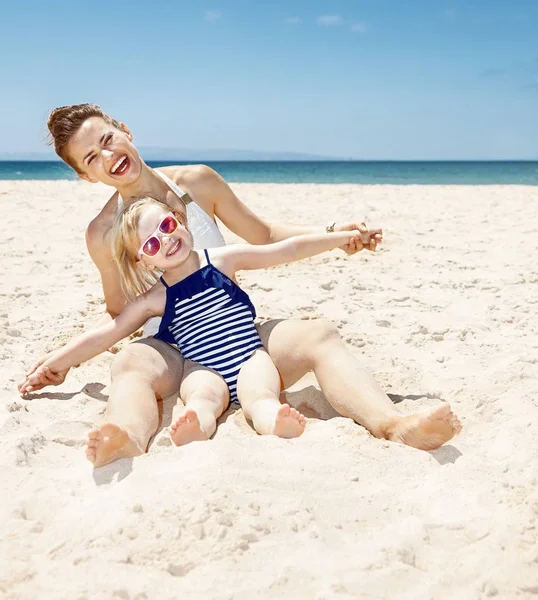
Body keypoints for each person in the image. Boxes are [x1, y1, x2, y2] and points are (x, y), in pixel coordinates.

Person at [20, 104, 461, 467]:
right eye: (91, 158)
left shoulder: (196, 181)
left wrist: (334, 234)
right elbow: (119, 313)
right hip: (173, 352)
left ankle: (392, 424)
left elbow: (266, 237)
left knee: (317, 333)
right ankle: (128, 440)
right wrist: (67, 358)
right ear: (85, 175)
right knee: (130, 363)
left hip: (237, 331)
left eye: (107, 139)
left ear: (125, 130)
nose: (107, 156)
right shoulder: (103, 233)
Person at [20, 198, 381, 444]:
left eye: (165, 224)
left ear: (179, 219)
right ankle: (195, 426)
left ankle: (274, 422)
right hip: (201, 366)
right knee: (201, 398)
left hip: (249, 356)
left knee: (259, 394)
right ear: (144, 263)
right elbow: (106, 334)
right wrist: (56, 364)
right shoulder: (154, 299)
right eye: (150, 245)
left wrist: (340, 238)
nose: (164, 240)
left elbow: (286, 250)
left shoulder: (222, 260)